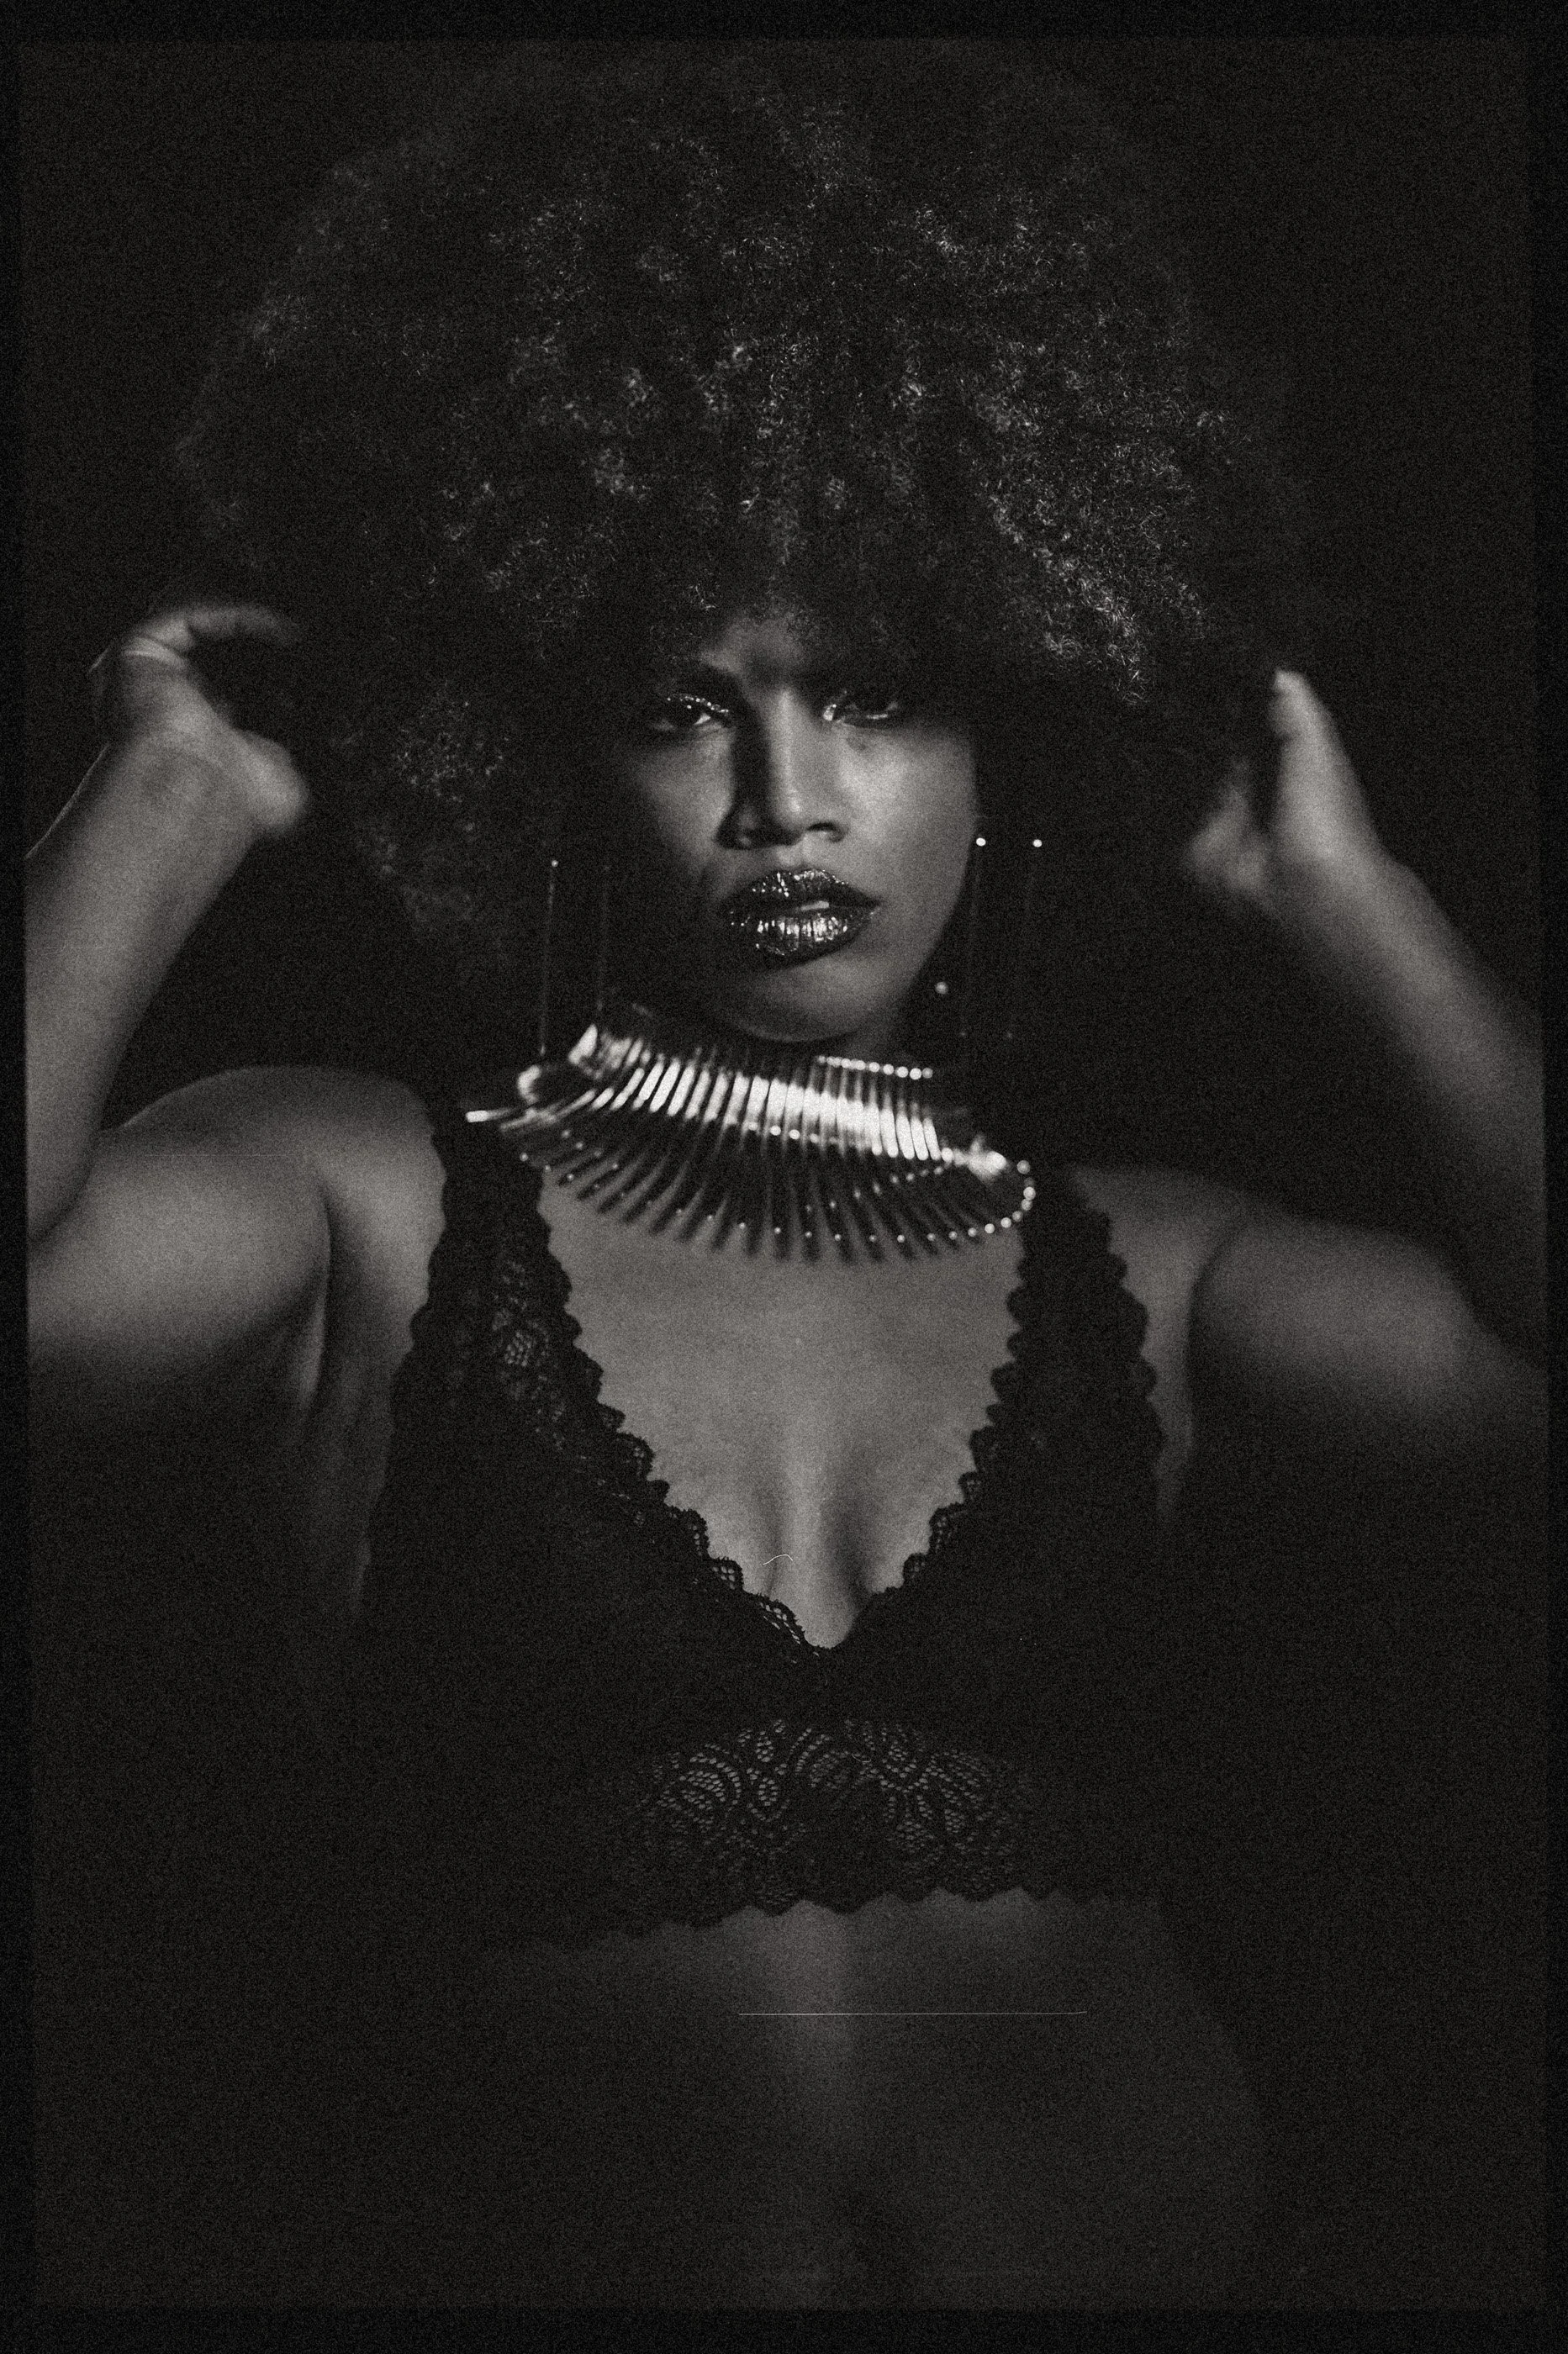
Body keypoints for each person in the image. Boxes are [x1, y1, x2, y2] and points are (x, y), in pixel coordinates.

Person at [28, 46, 1544, 2308]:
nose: (782, 800)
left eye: (877, 696)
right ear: (535, 753)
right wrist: (162, 808)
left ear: (1011, 737)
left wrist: (1350, 905)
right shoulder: (367, 1200)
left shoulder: (1145, 1258)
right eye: (677, 706)